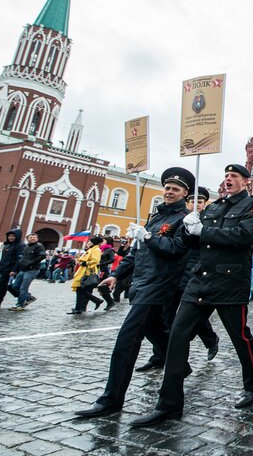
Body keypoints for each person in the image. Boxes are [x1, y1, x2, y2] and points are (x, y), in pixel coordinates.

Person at [131, 164, 253, 427]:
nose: (228, 179)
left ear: (246, 182)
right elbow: (194, 243)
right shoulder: (213, 207)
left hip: (229, 282)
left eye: (234, 176)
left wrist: (204, 231)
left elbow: (243, 236)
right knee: (177, 336)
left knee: (240, 337)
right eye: (226, 176)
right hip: (200, 280)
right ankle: (169, 405)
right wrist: (188, 228)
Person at [74, 168, 195, 418]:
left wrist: (148, 236)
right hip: (140, 284)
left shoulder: (185, 219)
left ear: (185, 193)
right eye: (167, 187)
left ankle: (111, 399)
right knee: (155, 331)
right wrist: (116, 275)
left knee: (126, 341)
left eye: (175, 189)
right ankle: (179, 363)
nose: (169, 192)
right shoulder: (155, 217)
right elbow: (136, 253)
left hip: (159, 285)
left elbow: (175, 249)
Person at [136, 186, 220, 373]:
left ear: (204, 204)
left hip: (193, 274)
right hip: (173, 275)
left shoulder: (207, 221)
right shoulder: (179, 218)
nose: (195, 204)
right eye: (192, 201)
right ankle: (159, 356)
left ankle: (210, 339)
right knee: (164, 317)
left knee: (193, 316)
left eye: (199, 201)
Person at [8, 233, 45, 310]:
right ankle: (29, 297)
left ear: (37, 238)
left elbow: (42, 256)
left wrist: (31, 263)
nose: (32, 238)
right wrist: (15, 270)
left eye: (34, 237)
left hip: (31, 269)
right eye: (30, 237)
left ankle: (20, 305)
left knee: (23, 288)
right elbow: (21, 259)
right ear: (27, 239)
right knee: (15, 286)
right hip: (22, 269)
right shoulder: (27, 246)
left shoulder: (39, 246)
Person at [70, 237, 104, 314]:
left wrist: (84, 263)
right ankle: (94, 301)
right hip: (83, 271)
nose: (88, 243)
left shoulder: (96, 250)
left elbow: (95, 260)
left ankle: (79, 308)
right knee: (80, 289)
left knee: (80, 289)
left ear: (93, 242)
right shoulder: (91, 249)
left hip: (87, 272)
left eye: (89, 241)